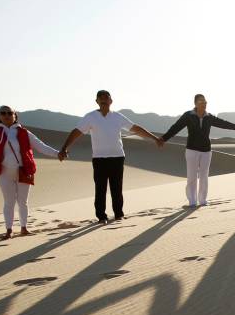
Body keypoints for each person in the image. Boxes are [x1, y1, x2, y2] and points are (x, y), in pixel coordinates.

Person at [58, 90, 163, 223]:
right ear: (96, 101)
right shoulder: (90, 117)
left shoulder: (117, 117)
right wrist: (64, 147)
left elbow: (135, 128)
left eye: (106, 98)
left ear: (111, 101)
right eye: (100, 99)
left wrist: (154, 138)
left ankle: (119, 214)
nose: (103, 101)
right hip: (99, 158)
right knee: (100, 188)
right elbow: (77, 132)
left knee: (116, 188)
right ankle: (101, 216)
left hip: (117, 157)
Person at [0, 106, 60, 238]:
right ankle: (9, 230)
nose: (6, 115)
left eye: (9, 113)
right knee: (9, 201)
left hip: (24, 171)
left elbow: (40, 146)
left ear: (15, 115)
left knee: (23, 201)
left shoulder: (24, 132)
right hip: (4, 172)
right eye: (3, 113)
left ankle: (24, 228)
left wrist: (57, 154)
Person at [160, 94, 235, 207]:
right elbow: (175, 127)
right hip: (192, 150)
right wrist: (163, 139)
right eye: (202, 102)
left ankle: (202, 201)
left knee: (204, 176)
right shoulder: (188, 116)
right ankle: (192, 201)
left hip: (206, 151)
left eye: (205, 102)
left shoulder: (209, 117)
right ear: (196, 103)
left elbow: (224, 124)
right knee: (192, 176)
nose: (204, 104)